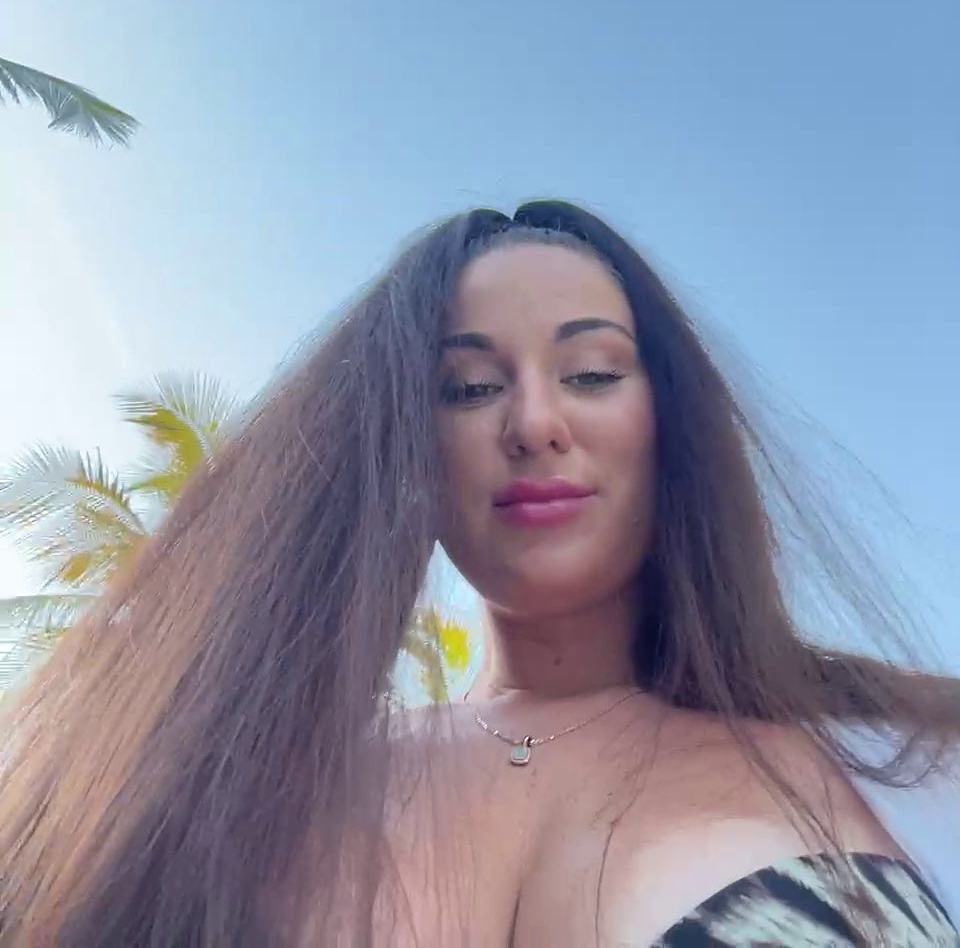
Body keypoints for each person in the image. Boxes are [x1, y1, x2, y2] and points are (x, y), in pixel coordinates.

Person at [0, 200, 958, 946]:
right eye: (467, 388)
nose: (534, 422)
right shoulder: (249, 783)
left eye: (592, 372)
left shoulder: (906, 752)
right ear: (407, 449)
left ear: (671, 420)